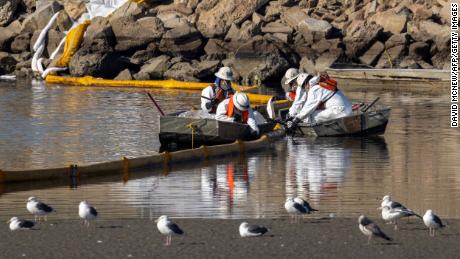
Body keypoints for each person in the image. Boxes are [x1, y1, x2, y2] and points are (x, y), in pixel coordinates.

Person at [286, 73, 352, 129]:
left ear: (305, 84)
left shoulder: (314, 89)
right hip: (348, 109)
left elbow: (308, 108)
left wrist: (296, 120)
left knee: (308, 117)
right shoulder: (321, 83)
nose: (304, 89)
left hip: (340, 111)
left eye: (303, 87)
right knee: (311, 113)